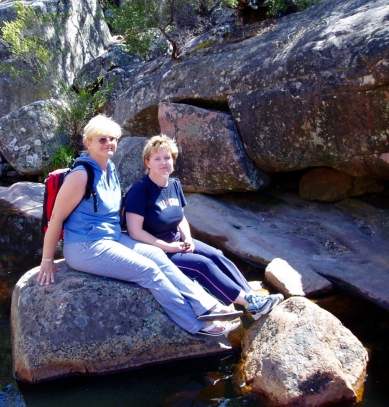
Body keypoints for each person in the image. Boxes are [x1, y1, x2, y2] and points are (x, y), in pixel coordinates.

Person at [37, 115, 243, 337]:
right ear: (88, 143)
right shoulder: (81, 175)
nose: (109, 143)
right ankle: (195, 324)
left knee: (157, 256)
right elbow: (56, 219)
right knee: (148, 270)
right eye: (102, 139)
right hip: (85, 246)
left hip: (113, 238)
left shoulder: (110, 169)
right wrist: (47, 260)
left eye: (112, 138)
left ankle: (207, 306)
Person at [125, 134, 284, 320]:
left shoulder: (174, 184)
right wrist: (168, 247)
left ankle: (251, 296)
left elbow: (180, 218)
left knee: (216, 254)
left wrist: (188, 238)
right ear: (147, 162)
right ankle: (247, 303)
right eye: (157, 159)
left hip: (177, 241)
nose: (163, 163)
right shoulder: (140, 190)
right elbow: (135, 232)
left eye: (167, 158)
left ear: (173, 160)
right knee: (202, 265)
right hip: (156, 250)